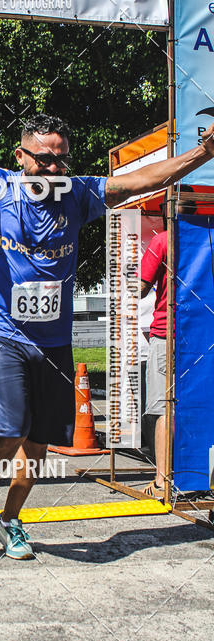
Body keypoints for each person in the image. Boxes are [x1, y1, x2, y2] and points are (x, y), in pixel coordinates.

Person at [0, 87, 214, 560]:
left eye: (62, 160)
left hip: (53, 342)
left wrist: (204, 153)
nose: (55, 169)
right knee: (10, 429)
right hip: (3, 333)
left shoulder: (77, 194)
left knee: (39, 445)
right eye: (45, 159)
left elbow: (137, 181)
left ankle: (11, 519)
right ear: (20, 157)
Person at [140, 187, 197, 498]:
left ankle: (163, 480)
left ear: (166, 211)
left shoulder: (162, 240)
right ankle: (195, 474)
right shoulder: (204, 239)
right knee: (195, 404)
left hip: (166, 334)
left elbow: (140, 288)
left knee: (165, 408)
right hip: (199, 335)